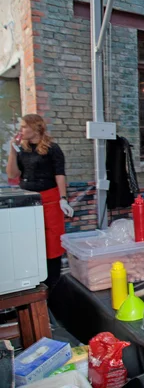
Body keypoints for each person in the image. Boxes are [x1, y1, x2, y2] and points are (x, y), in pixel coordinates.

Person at [6, 114, 74, 291]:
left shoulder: (52, 148)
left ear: (35, 128)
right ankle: (32, 281)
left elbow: (60, 174)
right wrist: (12, 151)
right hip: (26, 201)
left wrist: (63, 199)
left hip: (49, 199)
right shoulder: (22, 149)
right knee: (28, 240)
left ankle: (53, 283)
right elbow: (12, 174)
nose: (20, 130)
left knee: (51, 241)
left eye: (23, 127)